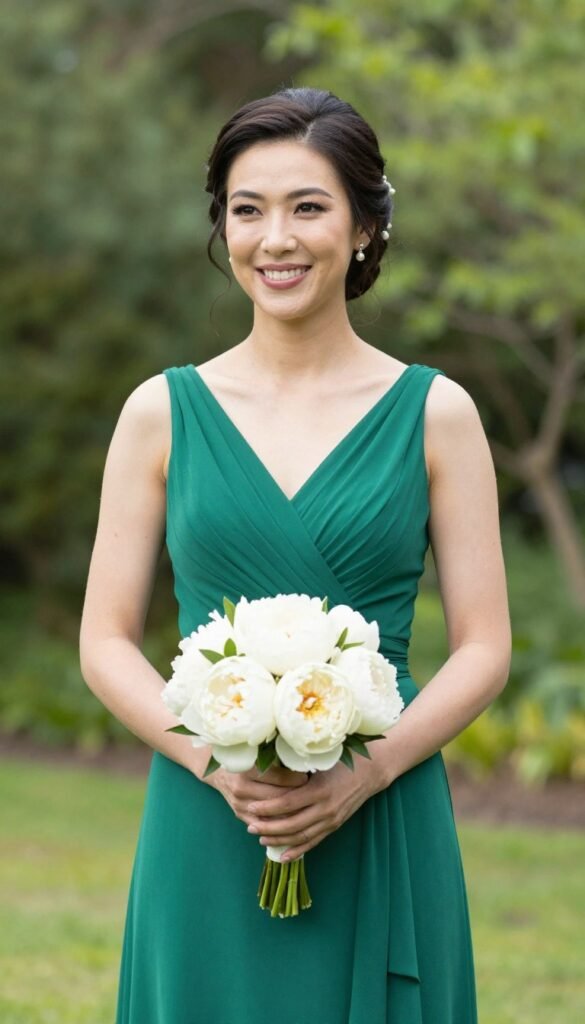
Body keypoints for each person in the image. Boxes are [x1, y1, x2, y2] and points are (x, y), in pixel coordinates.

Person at [79, 86, 511, 1024]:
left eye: (307, 208)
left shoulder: (437, 414)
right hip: (207, 813)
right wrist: (212, 761)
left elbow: (483, 646)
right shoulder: (160, 412)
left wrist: (366, 771)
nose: (274, 238)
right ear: (222, 231)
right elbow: (105, 640)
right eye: (247, 209)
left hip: (381, 808)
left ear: (362, 228)